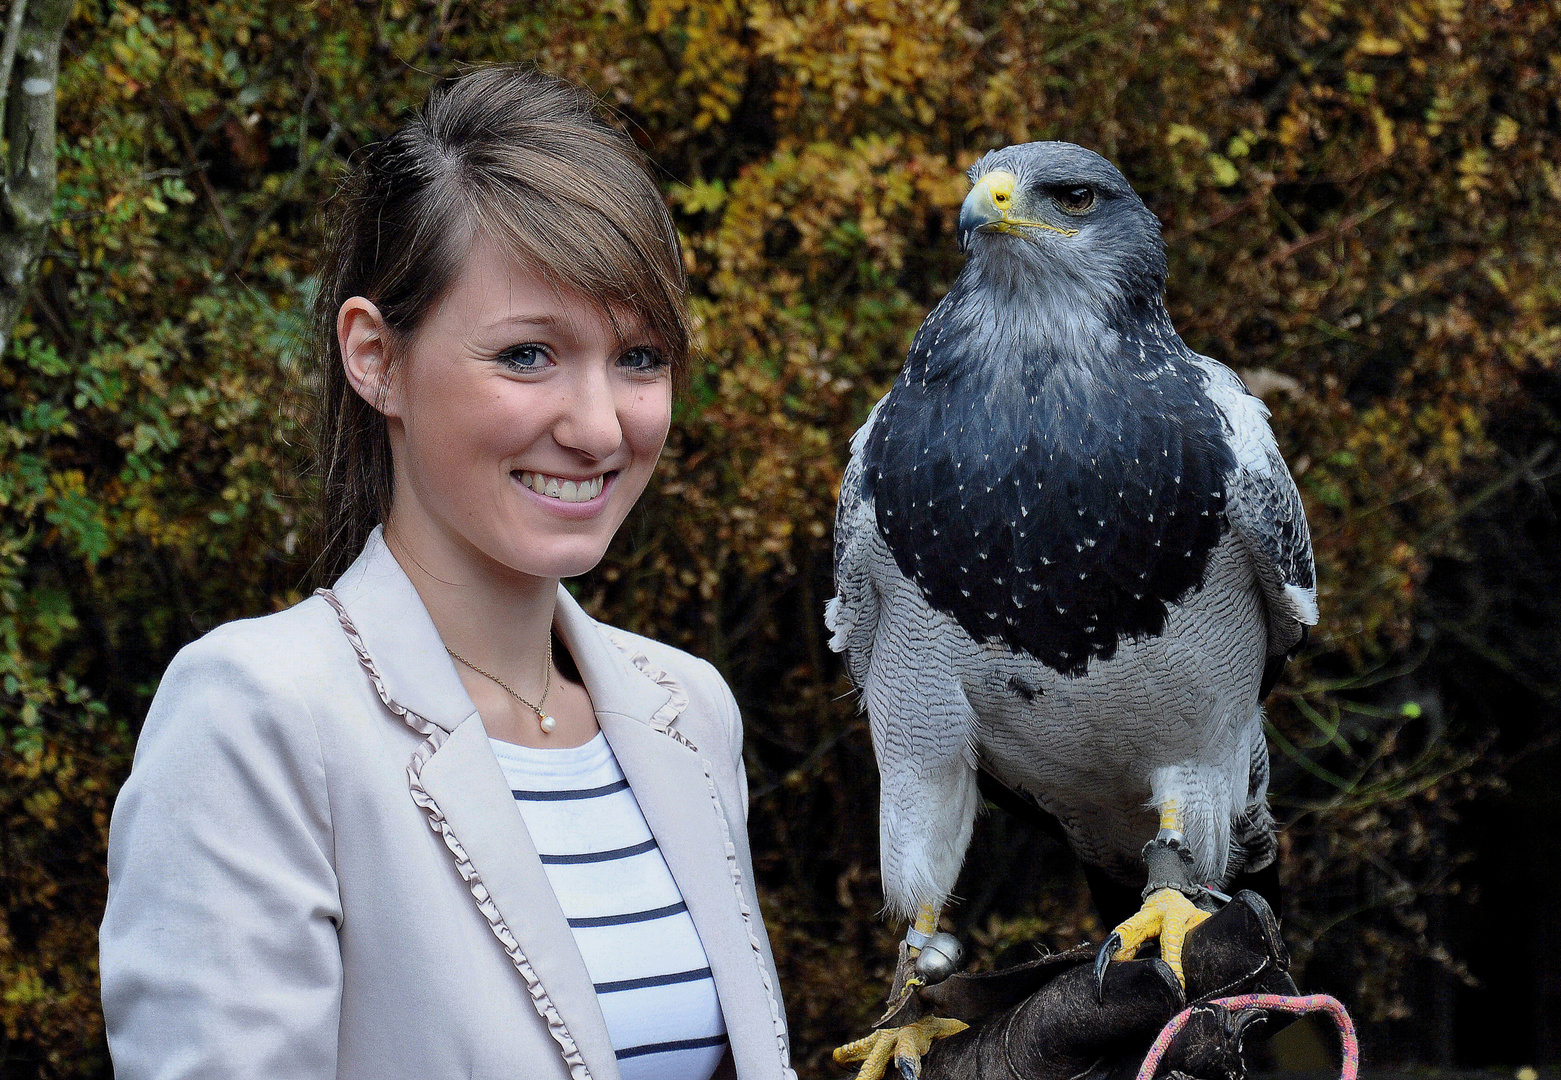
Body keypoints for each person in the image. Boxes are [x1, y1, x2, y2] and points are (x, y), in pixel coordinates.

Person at [99, 66, 795, 1080]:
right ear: (375, 356)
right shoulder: (258, 718)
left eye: (640, 358)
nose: (600, 426)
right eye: (525, 355)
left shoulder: (687, 710)